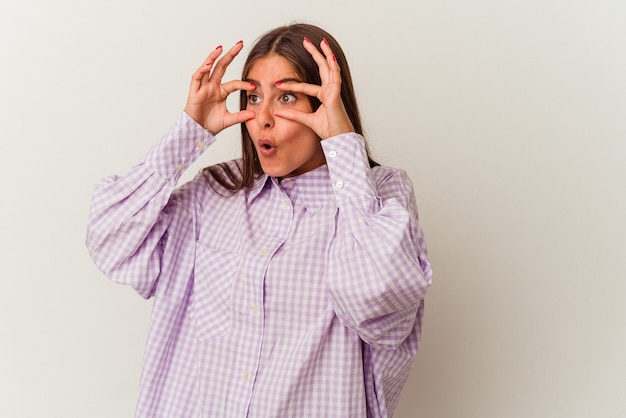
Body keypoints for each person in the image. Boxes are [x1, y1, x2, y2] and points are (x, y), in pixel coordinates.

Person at [86, 23, 432, 418]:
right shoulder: (214, 192)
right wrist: (188, 132)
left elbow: (379, 306)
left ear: (327, 103)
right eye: (252, 96)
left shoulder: (377, 198)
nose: (262, 118)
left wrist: (342, 145)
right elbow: (109, 238)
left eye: (286, 97)